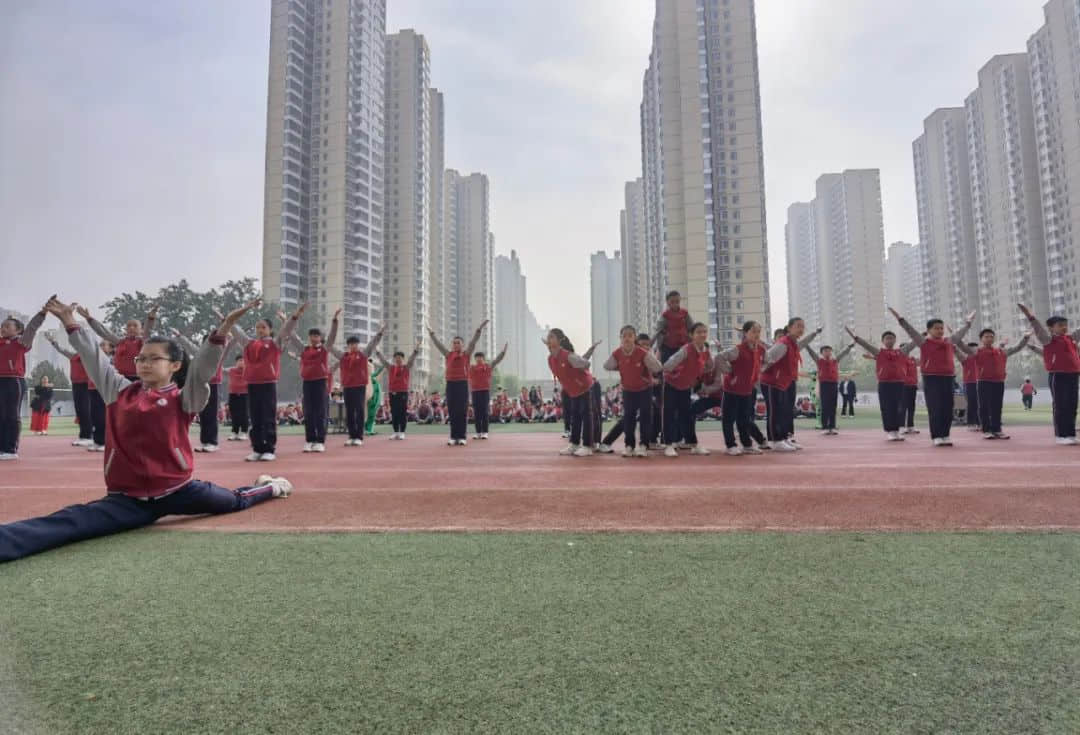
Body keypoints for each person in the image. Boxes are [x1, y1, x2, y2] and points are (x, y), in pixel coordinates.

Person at [0, 297, 292, 564]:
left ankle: (271, 485)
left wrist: (224, 328)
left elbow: (202, 371)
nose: (145, 364)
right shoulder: (118, 391)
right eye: (142, 359)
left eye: (155, 358)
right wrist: (70, 322)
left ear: (174, 365)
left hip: (180, 491)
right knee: (70, 522)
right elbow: (93, 357)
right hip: (127, 500)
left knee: (234, 501)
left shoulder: (184, 398)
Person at [227, 301, 304, 461]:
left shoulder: (275, 343)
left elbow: (286, 330)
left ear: (270, 329)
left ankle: (269, 448)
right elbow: (234, 327)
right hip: (252, 385)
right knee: (255, 418)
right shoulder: (248, 343)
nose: (260, 330)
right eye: (257, 327)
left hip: (268, 385)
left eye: (263, 327)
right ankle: (257, 448)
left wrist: (293, 317)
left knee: (267, 416)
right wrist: (230, 317)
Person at [892, 307, 975, 446]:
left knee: (948, 407)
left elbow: (960, 333)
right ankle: (936, 436)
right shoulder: (924, 342)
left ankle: (946, 435)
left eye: (941, 328)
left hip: (948, 377)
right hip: (931, 378)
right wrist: (901, 319)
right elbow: (911, 332)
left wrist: (968, 323)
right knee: (935, 407)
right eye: (936, 328)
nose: (940, 331)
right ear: (929, 330)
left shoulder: (949, 341)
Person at [1018, 303, 1080, 444]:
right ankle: (1060, 435)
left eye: (1065, 324)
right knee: (1061, 405)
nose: (1064, 327)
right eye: (1060, 325)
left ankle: (1070, 434)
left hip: (1073, 375)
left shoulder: (1071, 339)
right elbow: (1039, 329)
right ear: (1051, 328)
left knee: (1072, 405)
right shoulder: (1049, 340)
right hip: (1058, 376)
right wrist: (1030, 316)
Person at [847, 327, 918, 441]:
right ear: (883, 341)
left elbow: (914, 342)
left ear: (895, 340)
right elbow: (866, 345)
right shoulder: (879, 352)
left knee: (899, 408)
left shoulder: (901, 352)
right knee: (887, 408)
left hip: (899, 383)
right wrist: (855, 338)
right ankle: (890, 431)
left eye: (892, 338)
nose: (889, 340)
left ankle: (897, 430)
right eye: (887, 338)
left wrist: (923, 334)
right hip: (885, 384)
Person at [759, 318, 821, 451]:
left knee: (783, 411)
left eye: (803, 327)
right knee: (775, 411)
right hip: (773, 382)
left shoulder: (793, 344)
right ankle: (775, 440)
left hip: (783, 382)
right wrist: (759, 373)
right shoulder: (783, 344)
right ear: (789, 328)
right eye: (798, 326)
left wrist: (814, 333)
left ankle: (783, 438)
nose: (801, 329)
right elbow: (766, 358)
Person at [600, 327, 662, 457]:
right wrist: (621, 366)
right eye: (624, 336)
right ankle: (629, 446)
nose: (627, 338)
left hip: (645, 389)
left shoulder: (642, 353)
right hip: (628, 390)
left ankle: (644, 445)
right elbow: (607, 366)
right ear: (621, 338)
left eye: (630, 335)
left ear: (634, 338)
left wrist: (648, 357)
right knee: (629, 419)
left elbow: (657, 367)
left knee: (646, 417)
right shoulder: (617, 353)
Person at [173, 328, 233, 453]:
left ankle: (212, 442)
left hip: (214, 384)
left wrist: (228, 333)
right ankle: (205, 441)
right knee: (203, 414)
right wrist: (179, 335)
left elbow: (229, 342)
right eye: (207, 343)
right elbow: (188, 345)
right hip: (200, 384)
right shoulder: (200, 352)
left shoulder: (220, 352)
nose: (210, 346)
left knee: (211, 413)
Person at [428, 320, 488, 446]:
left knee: (462, 411)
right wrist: (431, 333)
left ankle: (461, 436)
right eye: (454, 343)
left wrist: (479, 328)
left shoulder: (466, 354)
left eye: (458, 343)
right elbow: (438, 345)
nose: (456, 345)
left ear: (462, 344)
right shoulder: (448, 354)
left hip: (462, 384)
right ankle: (453, 436)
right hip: (450, 385)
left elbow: (473, 342)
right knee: (452, 411)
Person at [287, 311, 339, 453]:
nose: (314, 338)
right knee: (309, 412)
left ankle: (320, 441)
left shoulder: (324, 350)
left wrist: (334, 321)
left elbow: (332, 338)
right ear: (309, 337)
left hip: (320, 382)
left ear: (320, 337)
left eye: (317, 336)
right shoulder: (304, 349)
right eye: (312, 336)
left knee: (320, 412)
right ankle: (310, 440)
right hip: (307, 383)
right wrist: (285, 320)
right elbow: (291, 335)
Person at [660, 323, 715, 456]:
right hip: (671, 385)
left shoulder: (705, 351)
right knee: (669, 415)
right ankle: (668, 445)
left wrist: (697, 375)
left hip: (685, 387)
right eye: (698, 332)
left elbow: (710, 366)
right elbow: (669, 364)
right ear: (691, 335)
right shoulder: (686, 349)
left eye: (704, 332)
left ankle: (693, 444)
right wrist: (670, 373)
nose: (702, 335)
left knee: (686, 416)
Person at [0, 305, 47, 460]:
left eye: (7, 326)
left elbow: (32, 328)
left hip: (14, 382)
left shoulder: (21, 343)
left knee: (11, 415)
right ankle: (2, 448)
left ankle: (11, 449)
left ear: (18, 330)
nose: (3, 328)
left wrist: (42, 313)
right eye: (2, 326)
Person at [327, 322, 385, 447]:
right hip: (347, 387)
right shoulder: (343, 356)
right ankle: (351, 436)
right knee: (349, 412)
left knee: (359, 411)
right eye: (351, 344)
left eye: (355, 344)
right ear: (348, 346)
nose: (354, 346)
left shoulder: (363, 355)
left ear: (358, 345)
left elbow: (372, 344)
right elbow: (330, 347)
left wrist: (379, 333)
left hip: (359, 387)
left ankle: (358, 436)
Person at [715, 321, 768, 456]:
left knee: (744, 419)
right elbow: (719, 357)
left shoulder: (759, 349)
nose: (756, 334)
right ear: (745, 333)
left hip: (747, 390)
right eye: (753, 331)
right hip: (732, 389)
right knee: (728, 418)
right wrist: (730, 372)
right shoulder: (738, 349)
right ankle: (730, 445)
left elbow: (766, 362)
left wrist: (758, 373)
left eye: (758, 331)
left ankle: (747, 445)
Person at [546, 328, 597, 456]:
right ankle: (574, 444)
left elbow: (586, 364)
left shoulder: (568, 355)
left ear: (559, 340)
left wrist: (576, 369)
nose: (549, 339)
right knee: (575, 417)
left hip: (585, 386)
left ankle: (587, 446)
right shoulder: (550, 359)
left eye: (552, 337)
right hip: (573, 390)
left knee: (586, 416)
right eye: (548, 337)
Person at [80, 304, 157, 381]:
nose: (131, 327)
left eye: (135, 326)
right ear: (126, 329)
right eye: (129, 326)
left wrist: (150, 319)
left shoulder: (142, 342)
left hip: (138, 378)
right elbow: (104, 332)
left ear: (141, 330)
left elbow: (148, 331)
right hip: (120, 379)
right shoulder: (120, 342)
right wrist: (89, 319)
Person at [45, 331, 95, 447]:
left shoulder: (90, 354)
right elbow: (61, 349)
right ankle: (83, 435)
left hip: (86, 384)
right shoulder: (74, 355)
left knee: (85, 410)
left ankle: (88, 436)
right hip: (76, 384)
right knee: (79, 411)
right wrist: (53, 342)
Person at [374, 341, 421, 440]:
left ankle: (402, 432)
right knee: (394, 412)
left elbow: (411, 360)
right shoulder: (391, 368)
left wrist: (416, 349)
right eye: (396, 358)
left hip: (403, 392)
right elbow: (383, 361)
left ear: (403, 359)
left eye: (400, 358)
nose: (398, 359)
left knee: (402, 413)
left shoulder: (406, 367)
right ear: (394, 359)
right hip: (392, 393)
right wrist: (377, 352)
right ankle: (395, 432)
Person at [804, 342, 853, 435]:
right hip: (824, 384)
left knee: (833, 406)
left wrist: (849, 347)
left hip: (834, 384)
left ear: (831, 352)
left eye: (829, 351)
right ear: (822, 353)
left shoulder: (835, 361)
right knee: (825, 406)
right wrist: (807, 346)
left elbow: (842, 354)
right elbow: (812, 353)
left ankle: (832, 426)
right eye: (825, 351)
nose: (827, 352)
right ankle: (825, 427)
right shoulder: (819, 361)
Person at [469, 343, 509, 440]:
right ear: (475, 359)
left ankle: (485, 432)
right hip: (475, 392)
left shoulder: (487, 366)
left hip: (485, 391)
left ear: (483, 358)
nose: (478, 359)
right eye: (477, 357)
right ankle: (478, 432)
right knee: (477, 413)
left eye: (480, 357)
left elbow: (496, 360)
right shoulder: (472, 368)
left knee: (484, 412)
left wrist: (503, 352)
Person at [226, 355, 249, 440]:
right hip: (233, 394)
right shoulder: (231, 370)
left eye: (243, 360)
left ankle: (244, 432)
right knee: (234, 414)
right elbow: (221, 369)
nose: (241, 362)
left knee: (244, 414)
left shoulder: (248, 370)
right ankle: (234, 432)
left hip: (244, 394)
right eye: (239, 360)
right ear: (236, 362)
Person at [900, 353, 920, 435]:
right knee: (903, 407)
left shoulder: (912, 359)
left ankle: (910, 426)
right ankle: (901, 426)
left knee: (911, 407)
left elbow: (921, 362)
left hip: (913, 386)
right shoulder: (900, 359)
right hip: (904, 386)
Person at [365, 364, 383, 437]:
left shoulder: (372, 377)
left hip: (375, 399)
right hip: (368, 399)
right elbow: (377, 372)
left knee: (372, 415)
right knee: (367, 415)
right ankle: (365, 429)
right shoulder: (365, 377)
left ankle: (370, 429)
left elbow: (377, 372)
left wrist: (383, 366)